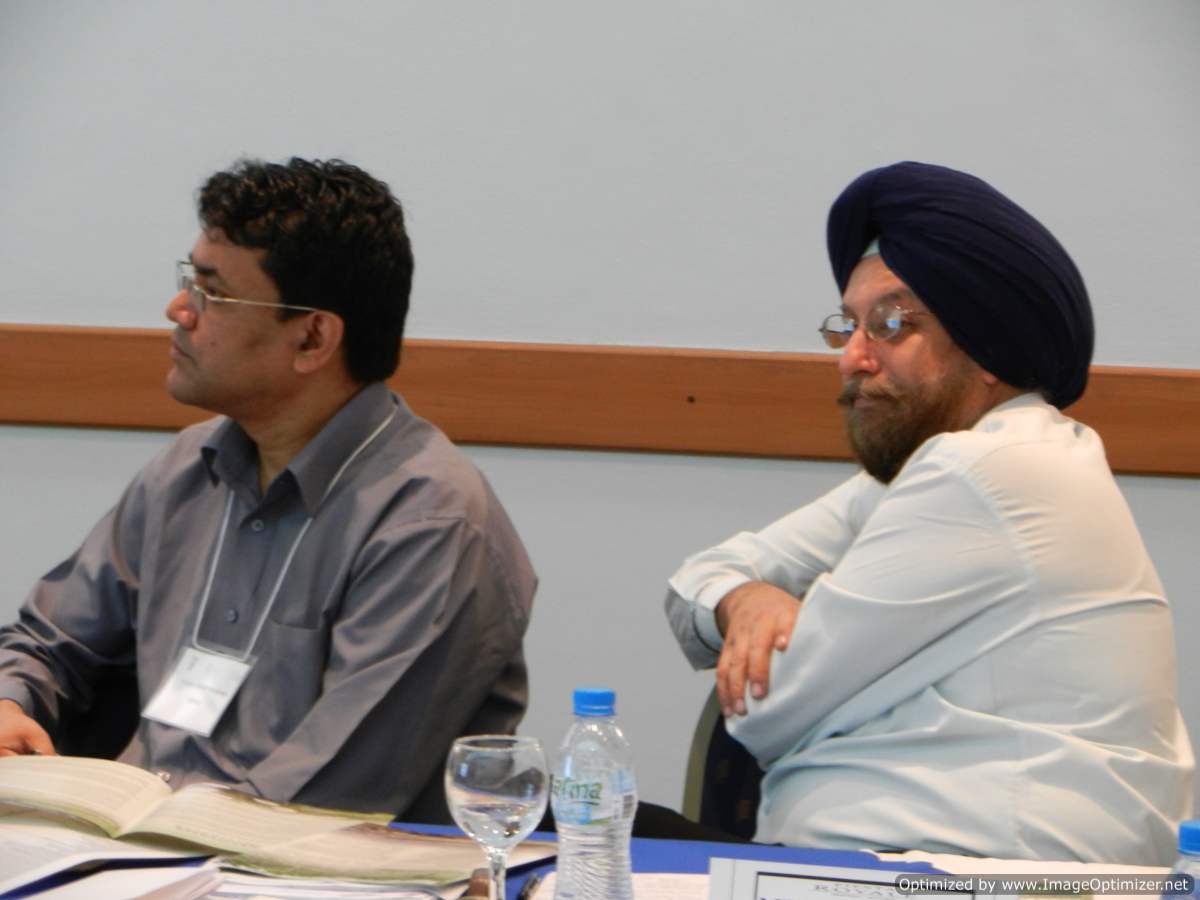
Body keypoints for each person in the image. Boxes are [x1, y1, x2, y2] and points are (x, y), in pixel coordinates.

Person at [665, 161, 1194, 864]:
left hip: (977, 876)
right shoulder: (951, 462)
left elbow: (766, 705)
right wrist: (746, 598)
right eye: (848, 326)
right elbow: (693, 584)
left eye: (891, 324)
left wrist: (772, 636)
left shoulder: (989, 470)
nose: (852, 358)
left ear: (989, 346)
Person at [0, 157, 537, 821]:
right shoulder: (186, 469)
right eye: (188, 281)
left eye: (213, 293)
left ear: (312, 337)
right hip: (136, 840)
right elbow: (49, 641)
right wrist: (11, 701)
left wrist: (139, 845)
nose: (178, 310)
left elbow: (327, 799)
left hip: (281, 859)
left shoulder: (430, 523)